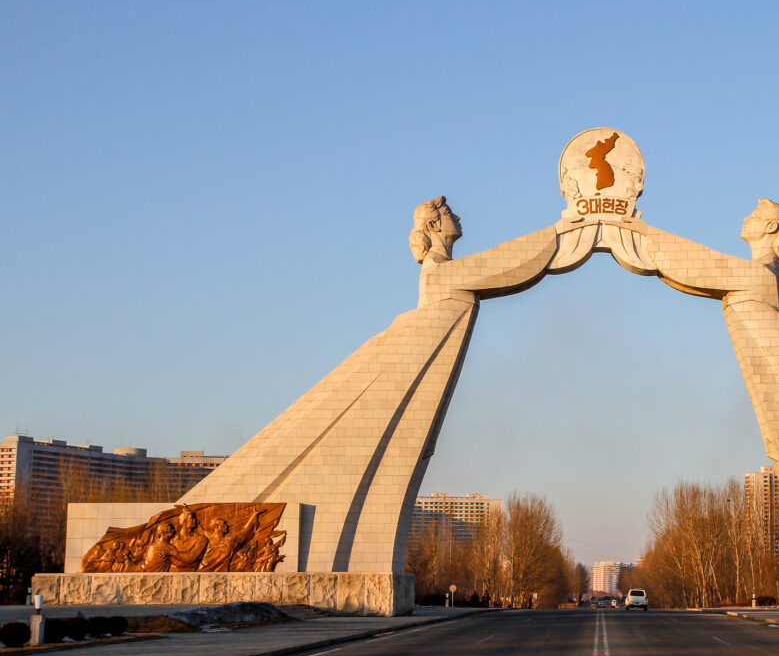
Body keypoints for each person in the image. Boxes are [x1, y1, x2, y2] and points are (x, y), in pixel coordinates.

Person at [174, 198, 592, 573]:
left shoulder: (448, 273)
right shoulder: (440, 275)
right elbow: (511, 262)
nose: (458, 216)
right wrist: (563, 232)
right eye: (447, 213)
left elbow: (512, 263)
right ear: (432, 227)